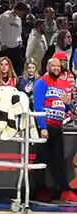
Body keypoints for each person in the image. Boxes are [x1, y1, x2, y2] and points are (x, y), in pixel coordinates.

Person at [31, 50, 74, 202]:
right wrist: (42, 127)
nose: (56, 68)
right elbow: (38, 106)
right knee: (42, 160)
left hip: (58, 126)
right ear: (48, 67)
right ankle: (40, 190)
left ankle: (64, 191)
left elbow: (69, 107)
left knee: (59, 160)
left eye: (58, 66)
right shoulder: (41, 82)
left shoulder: (64, 84)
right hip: (45, 127)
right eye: (53, 66)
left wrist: (68, 104)